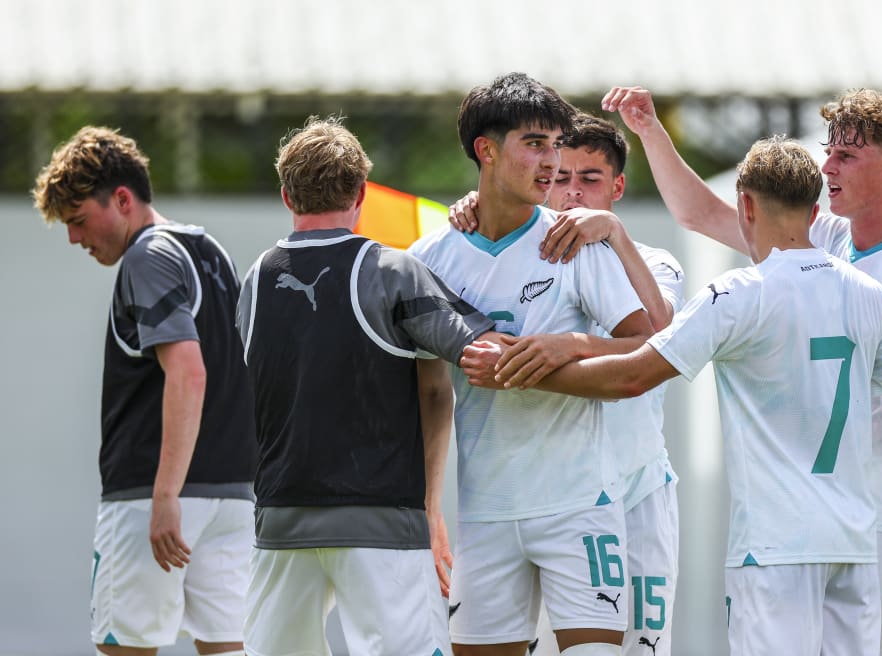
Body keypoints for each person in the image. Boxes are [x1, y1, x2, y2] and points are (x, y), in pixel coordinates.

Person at [465, 136, 882, 654]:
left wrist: (517, 368)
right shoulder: (869, 293)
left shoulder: (738, 295)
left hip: (773, 550)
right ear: (815, 211)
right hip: (853, 547)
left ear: (745, 204)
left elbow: (632, 377)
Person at [601, 85, 882, 654]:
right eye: (828, 152)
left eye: (846, 156)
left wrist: (832, 334)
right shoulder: (822, 240)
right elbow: (699, 213)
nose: (827, 167)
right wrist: (650, 130)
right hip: (830, 521)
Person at [408, 73, 655, 656]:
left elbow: (647, 353)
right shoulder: (429, 258)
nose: (552, 162)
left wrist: (569, 345)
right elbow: (431, 394)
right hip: (484, 514)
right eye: (535, 144)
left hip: (579, 508)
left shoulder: (575, 242)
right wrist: (428, 508)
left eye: (555, 144)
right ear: (486, 151)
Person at [234, 116, 497, 656]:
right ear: (361, 193)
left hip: (280, 524)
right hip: (381, 526)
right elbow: (482, 353)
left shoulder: (255, 281)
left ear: (287, 194)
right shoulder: (393, 270)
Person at [449, 113, 685, 655]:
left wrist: (616, 238)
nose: (573, 192)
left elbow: (668, 338)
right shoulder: (528, 248)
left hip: (637, 487)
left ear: (618, 187)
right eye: (562, 177)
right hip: (553, 489)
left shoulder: (653, 260)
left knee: (640, 647)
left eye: (591, 179)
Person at [32, 127, 257, 656]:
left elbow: (189, 372)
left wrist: (164, 497)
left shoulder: (146, 258)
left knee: (126, 649)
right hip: (231, 500)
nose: (74, 238)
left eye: (79, 220)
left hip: (155, 503)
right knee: (228, 648)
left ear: (123, 200)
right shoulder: (210, 251)